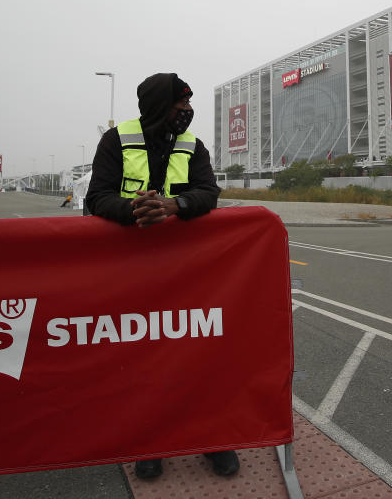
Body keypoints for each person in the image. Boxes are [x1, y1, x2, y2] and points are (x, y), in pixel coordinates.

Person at [85, 72, 237, 479]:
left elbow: (209, 192)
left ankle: (212, 438)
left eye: (188, 104)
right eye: (179, 104)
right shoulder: (115, 141)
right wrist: (135, 210)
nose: (187, 111)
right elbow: (96, 198)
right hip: (132, 273)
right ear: (158, 106)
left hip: (189, 273)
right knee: (145, 359)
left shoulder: (194, 145)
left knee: (200, 356)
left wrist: (174, 205)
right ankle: (151, 442)